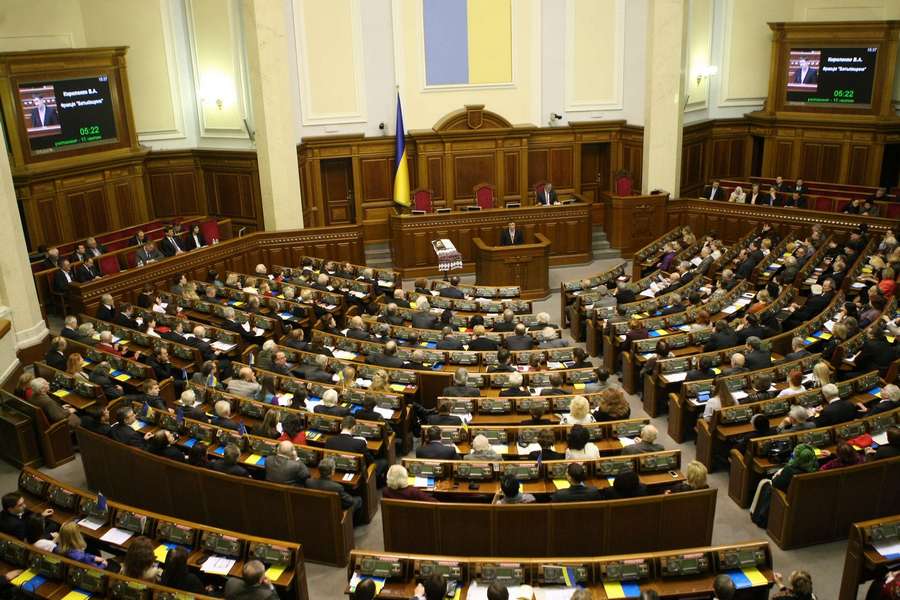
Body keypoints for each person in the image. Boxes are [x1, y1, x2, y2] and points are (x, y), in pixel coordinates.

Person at [306, 457, 363, 521]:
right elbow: (350, 501)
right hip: (334, 514)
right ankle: (352, 526)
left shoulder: (309, 482)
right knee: (358, 499)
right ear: (332, 471)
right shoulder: (337, 487)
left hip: (316, 510)